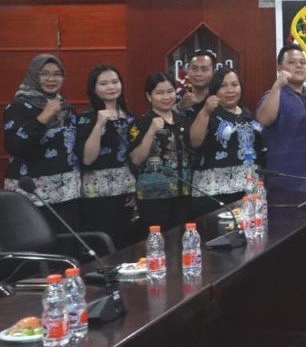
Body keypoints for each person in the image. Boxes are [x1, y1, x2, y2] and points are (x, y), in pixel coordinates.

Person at [3, 54, 81, 230]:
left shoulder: (65, 108)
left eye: (57, 74)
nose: (51, 79)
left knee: (67, 243)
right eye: (44, 73)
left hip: (67, 193)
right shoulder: (18, 107)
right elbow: (14, 146)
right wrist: (43, 117)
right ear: (33, 75)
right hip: (32, 195)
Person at [189, 68, 264, 216]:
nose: (230, 90)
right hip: (215, 194)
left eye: (234, 84)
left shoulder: (247, 113)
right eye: (223, 86)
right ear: (214, 91)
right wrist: (205, 111)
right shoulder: (208, 113)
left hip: (249, 190)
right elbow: (195, 141)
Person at [76, 65, 136, 247]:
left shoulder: (130, 117)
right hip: (98, 195)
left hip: (127, 191)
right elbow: (87, 158)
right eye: (103, 83)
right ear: (93, 89)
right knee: (104, 244)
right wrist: (99, 124)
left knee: (126, 243)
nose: (111, 87)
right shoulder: (86, 117)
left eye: (115, 82)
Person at [256, 44, 306, 204]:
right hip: (285, 184)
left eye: (302, 62)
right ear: (279, 67)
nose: (299, 66)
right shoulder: (273, 95)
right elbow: (264, 119)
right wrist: (277, 85)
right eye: (292, 62)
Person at [129, 73, 193, 233]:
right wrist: (151, 131)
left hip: (184, 194)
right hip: (153, 198)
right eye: (159, 93)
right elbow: (136, 159)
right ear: (149, 96)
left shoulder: (184, 121)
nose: (166, 97)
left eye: (170, 91)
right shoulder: (141, 123)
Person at [177, 49, 217, 116]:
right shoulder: (177, 96)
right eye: (194, 68)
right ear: (187, 70)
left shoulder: (219, 98)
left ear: (214, 72)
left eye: (204, 69)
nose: (198, 74)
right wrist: (180, 106)